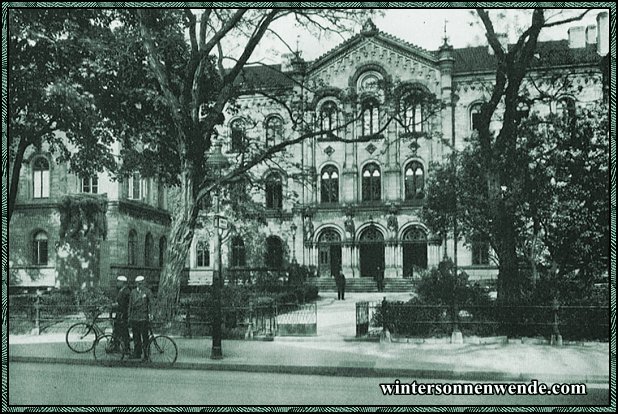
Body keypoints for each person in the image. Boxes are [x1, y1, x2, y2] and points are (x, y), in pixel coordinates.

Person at [129, 275, 154, 361]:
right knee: (136, 337)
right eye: (138, 283)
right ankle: (137, 353)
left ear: (144, 283)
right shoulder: (133, 292)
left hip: (143, 317)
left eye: (141, 283)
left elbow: (151, 304)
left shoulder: (147, 292)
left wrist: (151, 314)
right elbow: (130, 305)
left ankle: (146, 355)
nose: (139, 285)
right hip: (135, 317)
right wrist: (130, 316)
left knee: (145, 337)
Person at [113, 275, 131, 354]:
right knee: (117, 330)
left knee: (124, 331)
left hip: (123, 315)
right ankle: (116, 346)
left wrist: (116, 305)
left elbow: (124, 304)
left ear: (122, 283)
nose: (117, 283)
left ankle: (126, 348)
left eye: (118, 281)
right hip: (119, 314)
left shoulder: (126, 291)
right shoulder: (121, 290)